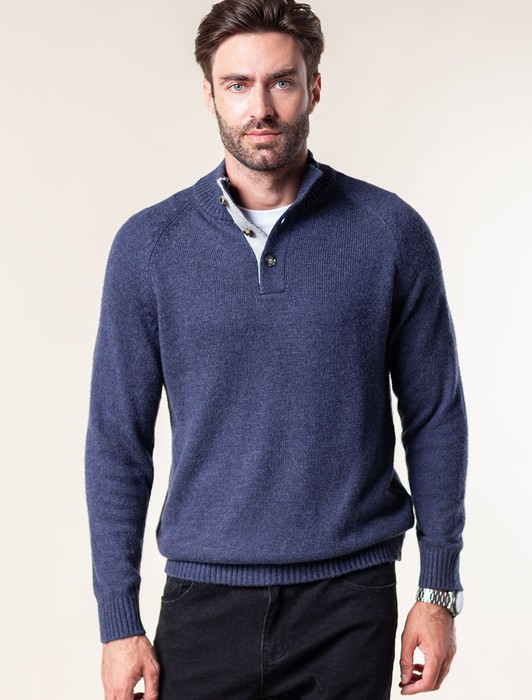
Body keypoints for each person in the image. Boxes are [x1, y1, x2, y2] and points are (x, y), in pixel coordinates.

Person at [84, 1, 468, 698]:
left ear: (313, 87)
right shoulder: (149, 248)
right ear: (209, 95)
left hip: (350, 603)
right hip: (202, 602)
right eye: (237, 84)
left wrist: (437, 592)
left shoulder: (389, 233)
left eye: (281, 82)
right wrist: (118, 621)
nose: (259, 107)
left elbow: (436, 414)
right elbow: (117, 440)